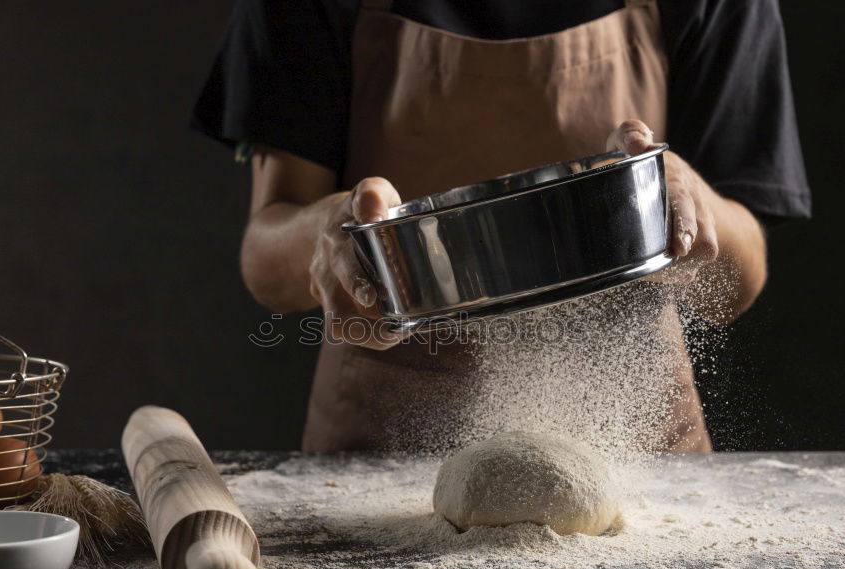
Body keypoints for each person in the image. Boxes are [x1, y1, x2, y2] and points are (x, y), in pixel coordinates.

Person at [192, 0, 810, 453]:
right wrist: (331, 234)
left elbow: (736, 284)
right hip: (380, 460)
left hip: (638, 460)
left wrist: (687, 201)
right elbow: (266, 257)